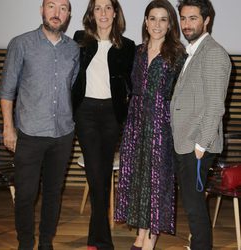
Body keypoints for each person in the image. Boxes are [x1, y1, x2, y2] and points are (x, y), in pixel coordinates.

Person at [0, 0, 80, 249]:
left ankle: (46, 243)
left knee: (54, 194)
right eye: (51, 6)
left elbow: (72, 87)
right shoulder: (21, 44)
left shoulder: (74, 49)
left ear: (68, 14)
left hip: (63, 134)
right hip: (29, 134)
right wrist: (8, 128)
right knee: (25, 195)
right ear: (42, 10)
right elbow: (7, 90)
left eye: (63, 8)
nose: (57, 13)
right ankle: (25, 243)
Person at [114, 0, 185, 249]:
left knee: (157, 180)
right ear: (145, 21)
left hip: (161, 124)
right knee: (138, 178)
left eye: (163, 19)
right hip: (135, 122)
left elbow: (181, 95)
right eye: (152, 18)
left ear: (170, 24)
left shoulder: (178, 54)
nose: (157, 24)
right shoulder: (138, 51)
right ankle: (141, 233)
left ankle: (150, 240)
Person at [71, 0, 135, 249]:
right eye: (98, 8)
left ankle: (94, 240)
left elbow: (132, 82)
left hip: (111, 114)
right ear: (91, 13)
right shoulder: (79, 39)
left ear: (115, 12)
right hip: (85, 112)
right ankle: (102, 242)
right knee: (96, 175)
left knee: (102, 175)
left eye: (108, 7)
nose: (103, 13)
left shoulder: (127, 46)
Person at [170, 0, 232, 249]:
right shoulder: (193, 51)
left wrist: (199, 146)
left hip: (196, 144)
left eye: (193, 18)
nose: (186, 24)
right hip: (187, 142)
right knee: (193, 206)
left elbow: (216, 106)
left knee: (195, 210)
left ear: (206, 20)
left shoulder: (214, 53)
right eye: (183, 18)